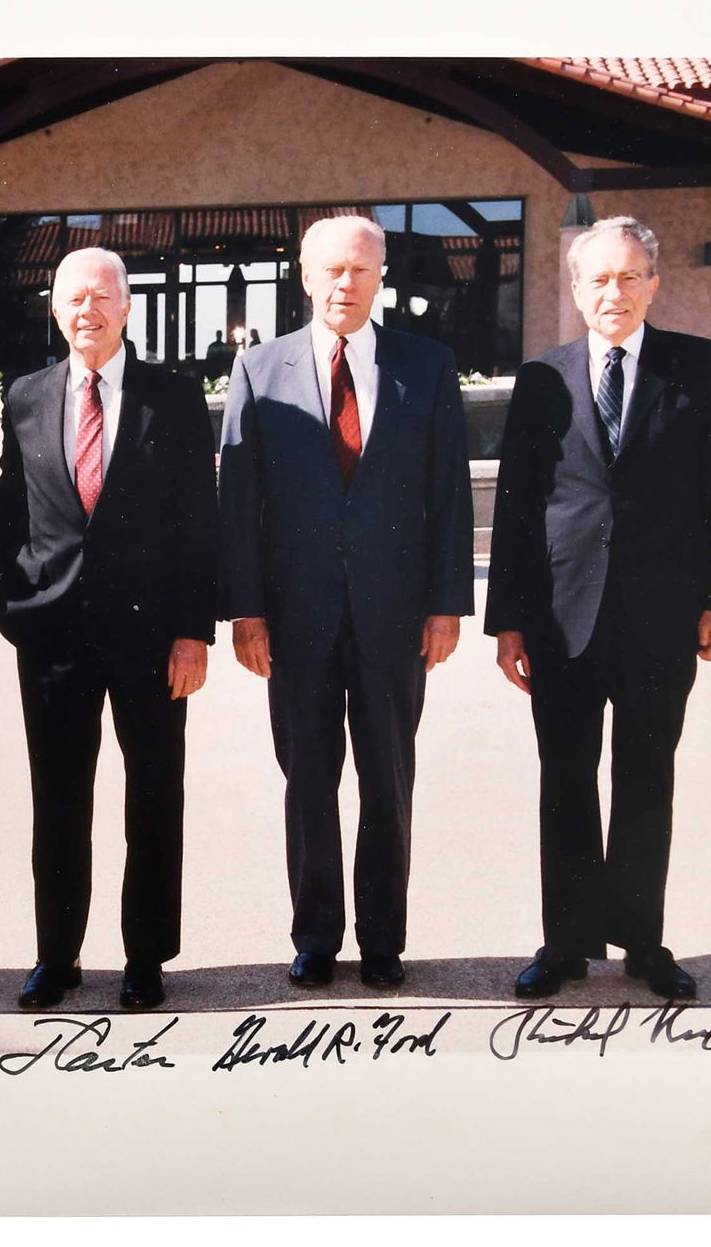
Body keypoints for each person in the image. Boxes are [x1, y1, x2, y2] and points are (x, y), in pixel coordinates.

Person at [485, 215, 711, 1001]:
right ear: (574, 289)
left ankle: (643, 943)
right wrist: (509, 623)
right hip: (563, 620)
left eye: (631, 277)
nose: (615, 293)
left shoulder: (698, 368)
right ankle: (563, 945)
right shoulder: (543, 378)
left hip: (662, 617)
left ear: (654, 285)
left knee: (646, 780)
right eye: (599, 279)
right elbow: (517, 507)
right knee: (564, 778)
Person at [218, 215, 473, 989]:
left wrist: (446, 604)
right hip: (296, 619)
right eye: (331, 270)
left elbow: (449, 495)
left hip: (396, 616)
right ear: (304, 275)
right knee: (308, 778)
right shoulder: (260, 370)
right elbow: (239, 502)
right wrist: (246, 611)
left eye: (361, 270)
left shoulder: (425, 366)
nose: (345, 284)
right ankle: (316, 935)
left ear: (381, 275)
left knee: (389, 778)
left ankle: (385, 940)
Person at [0, 247, 217, 1011]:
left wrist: (193, 632)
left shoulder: (172, 398)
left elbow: (197, 522)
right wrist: (4, 589)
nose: (88, 310)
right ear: (56, 309)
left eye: (103, 297)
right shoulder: (27, 395)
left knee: (153, 797)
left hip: (152, 639)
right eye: (74, 298)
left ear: (126, 307)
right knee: (58, 803)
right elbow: (6, 504)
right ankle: (58, 956)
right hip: (52, 635)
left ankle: (146, 958)